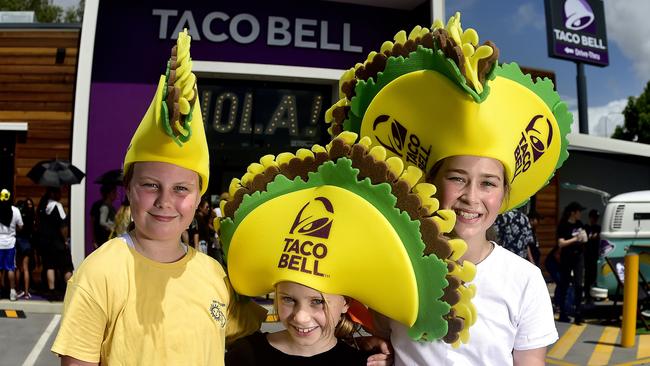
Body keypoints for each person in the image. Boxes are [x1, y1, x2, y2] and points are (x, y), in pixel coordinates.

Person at [324, 12, 571, 365]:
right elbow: (372, 335)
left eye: (488, 183)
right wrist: (372, 349)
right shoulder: (398, 264)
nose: (472, 197)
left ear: (503, 195)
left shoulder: (525, 279)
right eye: (457, 178)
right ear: (432, 185)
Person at [51, 30, 265, 366]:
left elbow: (268, 336)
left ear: (198, 198)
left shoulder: (214, 275)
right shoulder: (101, 273)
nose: (165, 200)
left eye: (181, 189)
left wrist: (357, 337)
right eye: (151, 185)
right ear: (129, 189)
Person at [220, 133, 476, 364]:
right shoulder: (245, 355)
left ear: (345, 303)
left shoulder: (362, 361)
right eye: (288, 299)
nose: (301, 317)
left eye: (317, 302)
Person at [37, 186, 73, 300]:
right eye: (59, 192)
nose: (60, 194)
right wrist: (65, 240)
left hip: (46, 242)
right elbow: (63, 226)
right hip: (58, 243)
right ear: (53, 193)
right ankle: (69, 291)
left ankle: (51, 291)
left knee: (49, 266)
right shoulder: (58, 206)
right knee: (67, 266)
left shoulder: (43, 206)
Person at [556, 201, 588, 324]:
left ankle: (578, 312)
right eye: (579, 211)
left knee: (579, 285)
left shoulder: (580, 224)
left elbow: (584, 239)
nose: (580, 214)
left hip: (578, 257)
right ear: (573, 213)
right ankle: (563, 312)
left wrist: (584, 238)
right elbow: (561, 243)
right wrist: (575, 239)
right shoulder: (563, 225)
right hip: (567, 257)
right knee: (564, 284)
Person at [0, 189, 23, 301]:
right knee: (10, 268)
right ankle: (12, 292)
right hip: (10, 243)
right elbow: (21, 226)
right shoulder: (15, 210)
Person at [16, 198, 36, 299]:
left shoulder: (19, 216)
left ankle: (18, 290)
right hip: (27, 242)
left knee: (19, 268)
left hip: (19, 242)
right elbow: (32, 230)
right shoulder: (31, 216)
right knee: (26, 268)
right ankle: (27, 293)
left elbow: (19, 228)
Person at [89, 184, 117, 249]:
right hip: (103, 238)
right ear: (108, 194)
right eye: (113, 192)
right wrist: (94, 240)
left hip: (109, 238)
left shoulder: (111, 206)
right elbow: (97, 222)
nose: (116, 194)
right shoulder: (102, 206)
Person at [584, 209, 601, 303]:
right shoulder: (586, 227)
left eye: (596, 218)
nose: (595, 220)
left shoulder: (598, 228)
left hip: (595, 255)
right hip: (587, 255)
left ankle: (593, 294)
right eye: (594, 217)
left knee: (594, 276)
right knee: (587, 276)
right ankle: (587, 295)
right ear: (590, 217)